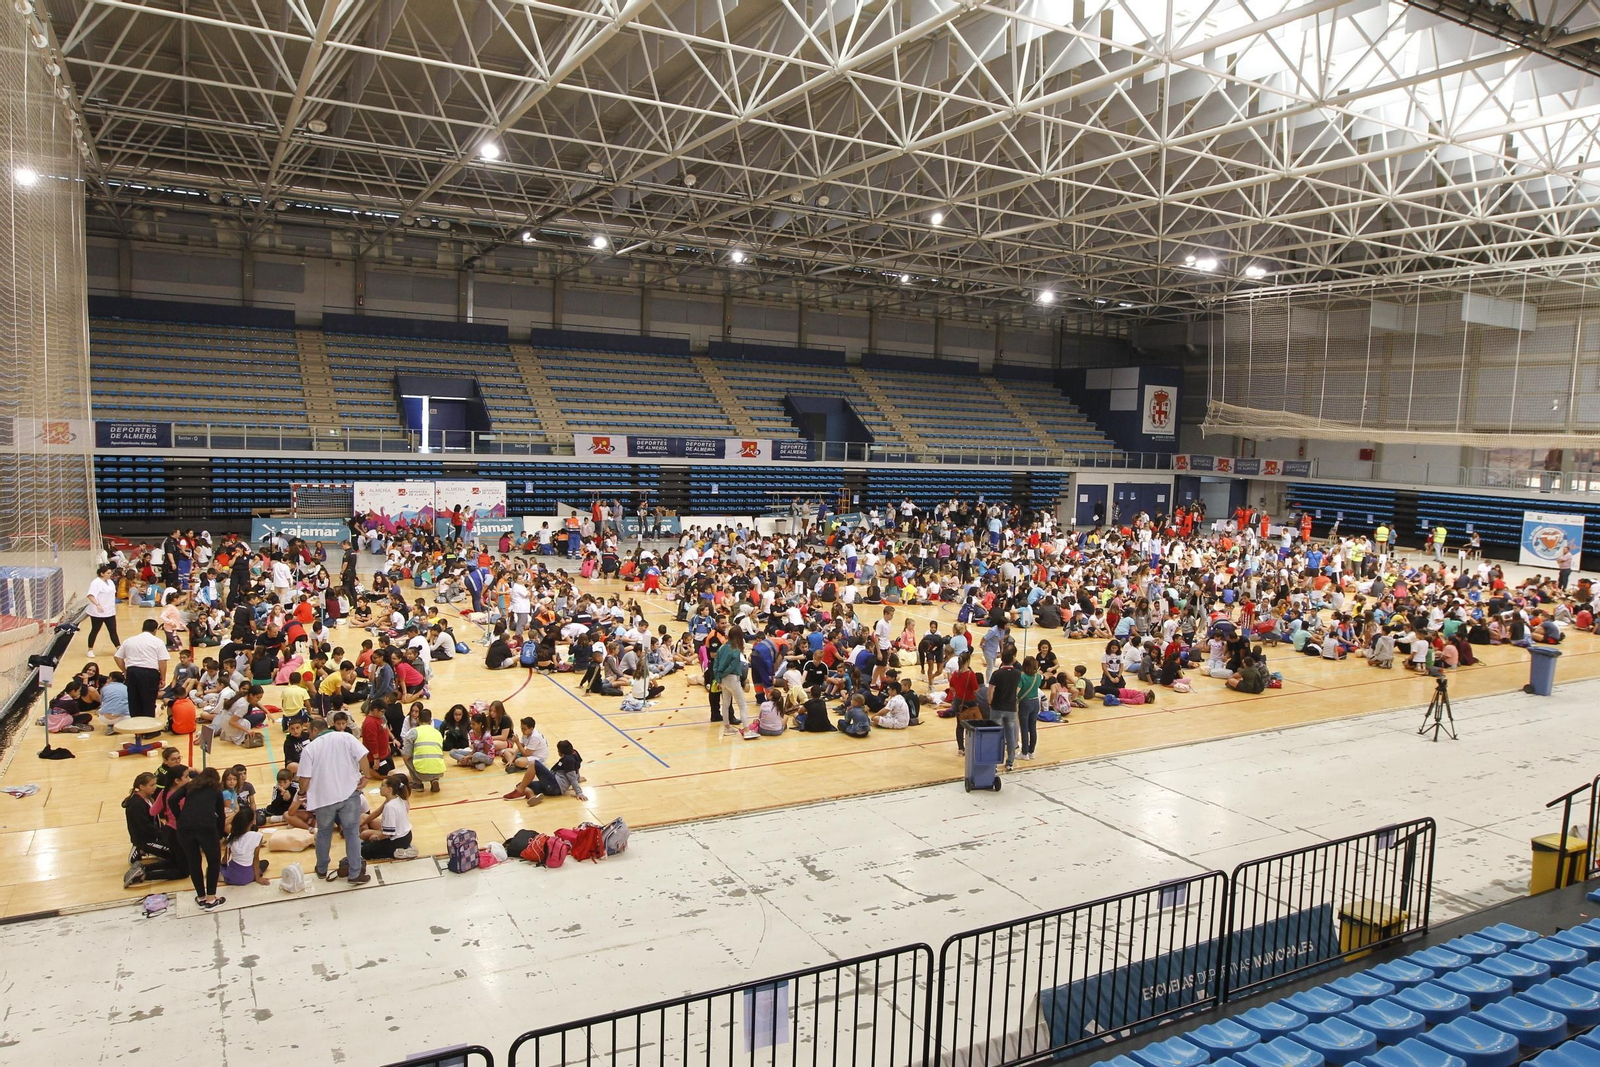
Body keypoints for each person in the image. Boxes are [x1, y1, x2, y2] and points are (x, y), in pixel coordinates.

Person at [291, 712, 374, 885]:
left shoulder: (310, 748)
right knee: (352, 833)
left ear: (314, 730)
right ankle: (355, 873)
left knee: (324, 833)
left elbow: (304, 778)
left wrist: (301, 794)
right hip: (349, 793)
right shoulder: (345, 737)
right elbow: (363, 756)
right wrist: (366, 776)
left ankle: (321, 869)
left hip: (323, 798)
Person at [173, 766, 227, 910]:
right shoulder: (216, 790)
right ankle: (211, 898)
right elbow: (220, 815)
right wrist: (220, 834)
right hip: (206, 827)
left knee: (194, 861)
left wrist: (180, 817)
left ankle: (201, 896)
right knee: (213, 860)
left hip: (185, 828)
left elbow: (172, 800)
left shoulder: (190, 786)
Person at [122, 773, 187, 887]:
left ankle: (144, 868)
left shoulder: (146, 799)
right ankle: (142, 870)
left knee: (178, 856)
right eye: (151, 785)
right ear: (141, 786)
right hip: (146, 840)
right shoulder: (137, 804)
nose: (155, 787)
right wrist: (164, 835)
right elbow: (145, 826)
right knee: (176, 856)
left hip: (153, 836)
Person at [115, 618, 170, 719]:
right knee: (148, 701)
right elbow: (162, 661)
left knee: (134, 701)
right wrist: (163, 678)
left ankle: (137, 730)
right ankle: (148, 730)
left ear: (142, 628)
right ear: (155, 630)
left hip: (132, 672)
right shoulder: (157, 642)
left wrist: (125, 671)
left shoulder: (129, 640)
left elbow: (117, 657)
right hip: (149, 673)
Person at [360, 775, 418, 860]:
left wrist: (376, 837)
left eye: (382, 785)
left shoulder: (390, 806)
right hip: (406, 835)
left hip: (398, 839)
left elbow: (388, 833)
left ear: (389, 789)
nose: (380, 788)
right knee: (367, 843)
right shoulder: (397, 798)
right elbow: (377, 813)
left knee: (365, 851)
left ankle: (398, 853)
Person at [988, 648, 1022, 772]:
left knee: (995, 736)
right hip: (1011, 708)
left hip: (997, 707)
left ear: (1001, 660)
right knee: (1011, 736)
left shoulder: (996, 674)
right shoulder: (1018, 673)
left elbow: (990, 690)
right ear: (1013, 659)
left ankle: (994, 763)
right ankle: (1010, 762)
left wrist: (990, 702)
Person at [221, 808, 270, 886]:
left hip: (232, 876)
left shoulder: (231, 836)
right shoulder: (258, 836)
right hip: (248, 876)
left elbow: (224, 860)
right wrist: (258, 878)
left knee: (214, 869)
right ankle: (254, 876)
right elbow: (256, 859)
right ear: (252, 822)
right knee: (265, 863)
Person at [84, 563, 121, 657]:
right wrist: (98, 604)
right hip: (98, 612)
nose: (110, 574)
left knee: (113, 630)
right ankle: (90, 649)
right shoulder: (95, 583)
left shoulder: (111, 582)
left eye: (110, 573)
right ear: (102, 573)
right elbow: (91, 595)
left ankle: (119, 648)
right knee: (95, 630)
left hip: (110, 611)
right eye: (108, 573)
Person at [1017, 655, 1042, 761]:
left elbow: (1016, 692)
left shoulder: (1022, 677)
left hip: (1025, 703)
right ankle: (1032, 751)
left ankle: (1024, 752)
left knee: (1024, 728)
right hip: (1036, 701)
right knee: (1033, 727)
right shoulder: (1038, 677)